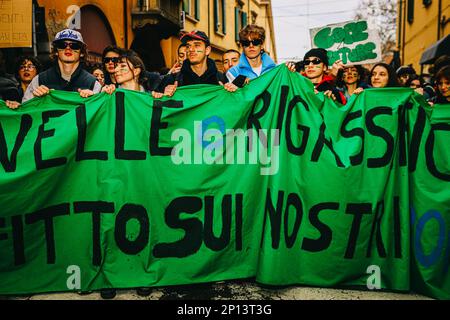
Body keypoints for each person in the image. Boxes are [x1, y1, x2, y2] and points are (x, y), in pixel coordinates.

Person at [22, 29, 101, 103]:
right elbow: (24, 111)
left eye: (74, 46)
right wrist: (35, 99)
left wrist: (94, 99)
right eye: (62, 45)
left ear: (82, 53)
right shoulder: (39, 80)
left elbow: (102, 113)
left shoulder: (92, 83)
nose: (68, 48)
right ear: (56, 51)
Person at [159, 30, 237, 96]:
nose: (191, 49)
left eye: (197, 45)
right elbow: (154, 104)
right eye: (188, 46)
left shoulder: (221, 79)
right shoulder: (172, 79)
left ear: (207, 50)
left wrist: (231, 92)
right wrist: (163, 95)